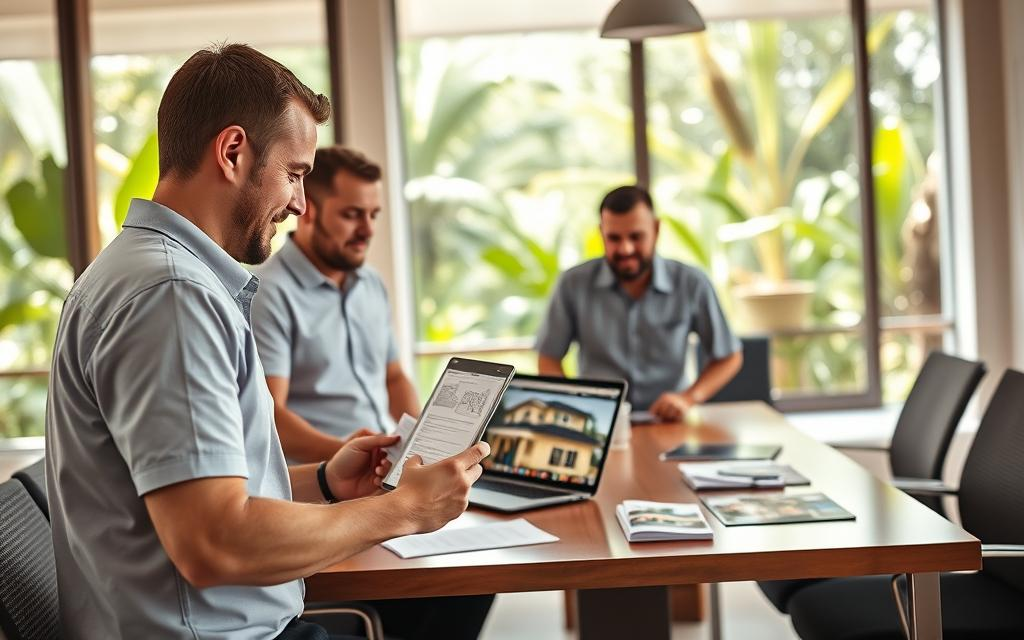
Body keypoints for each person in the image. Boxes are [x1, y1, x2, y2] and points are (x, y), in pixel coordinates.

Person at [45, 43, 490, 640]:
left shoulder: (142, 273)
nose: (300, 203)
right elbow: (214, 543)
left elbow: (203, 497)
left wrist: (328, 483)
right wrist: (402, 509)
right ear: (233, 152)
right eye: (296, 173)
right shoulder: (173, 296)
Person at [251, 146, 418, 463]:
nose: (367, 230)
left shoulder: (371, 284)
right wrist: (350, 455)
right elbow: (268, 414)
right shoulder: (268, 292)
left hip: (376, 470)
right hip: (317, 483)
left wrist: (425, 444)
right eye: (352, 214)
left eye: (373, 215)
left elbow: (394, 377)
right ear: (308, 211)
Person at [536, 185, 743, 421]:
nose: (625, 248)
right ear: (601, 232)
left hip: (670, 422)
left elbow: (729, 356)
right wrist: (570, 405)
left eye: (636, 236)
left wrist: (689, 398)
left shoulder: (692, 283)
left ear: (656, 229)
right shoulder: (573, 284)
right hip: (598, 424)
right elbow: (548, 357)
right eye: (614, 238)